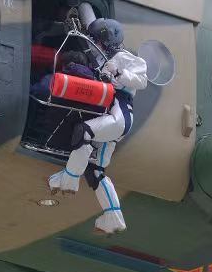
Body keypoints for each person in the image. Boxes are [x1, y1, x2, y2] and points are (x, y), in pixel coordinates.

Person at [47, 18, 148, 234]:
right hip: (111, 118)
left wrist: (119, 73)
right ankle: (112, 217)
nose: (96, 45)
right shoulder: (104, 61)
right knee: (95, 170)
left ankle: (69, 180)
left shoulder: (125, 58)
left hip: (120, 116)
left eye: (97, 41)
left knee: (84, 131)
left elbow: (142, 80)